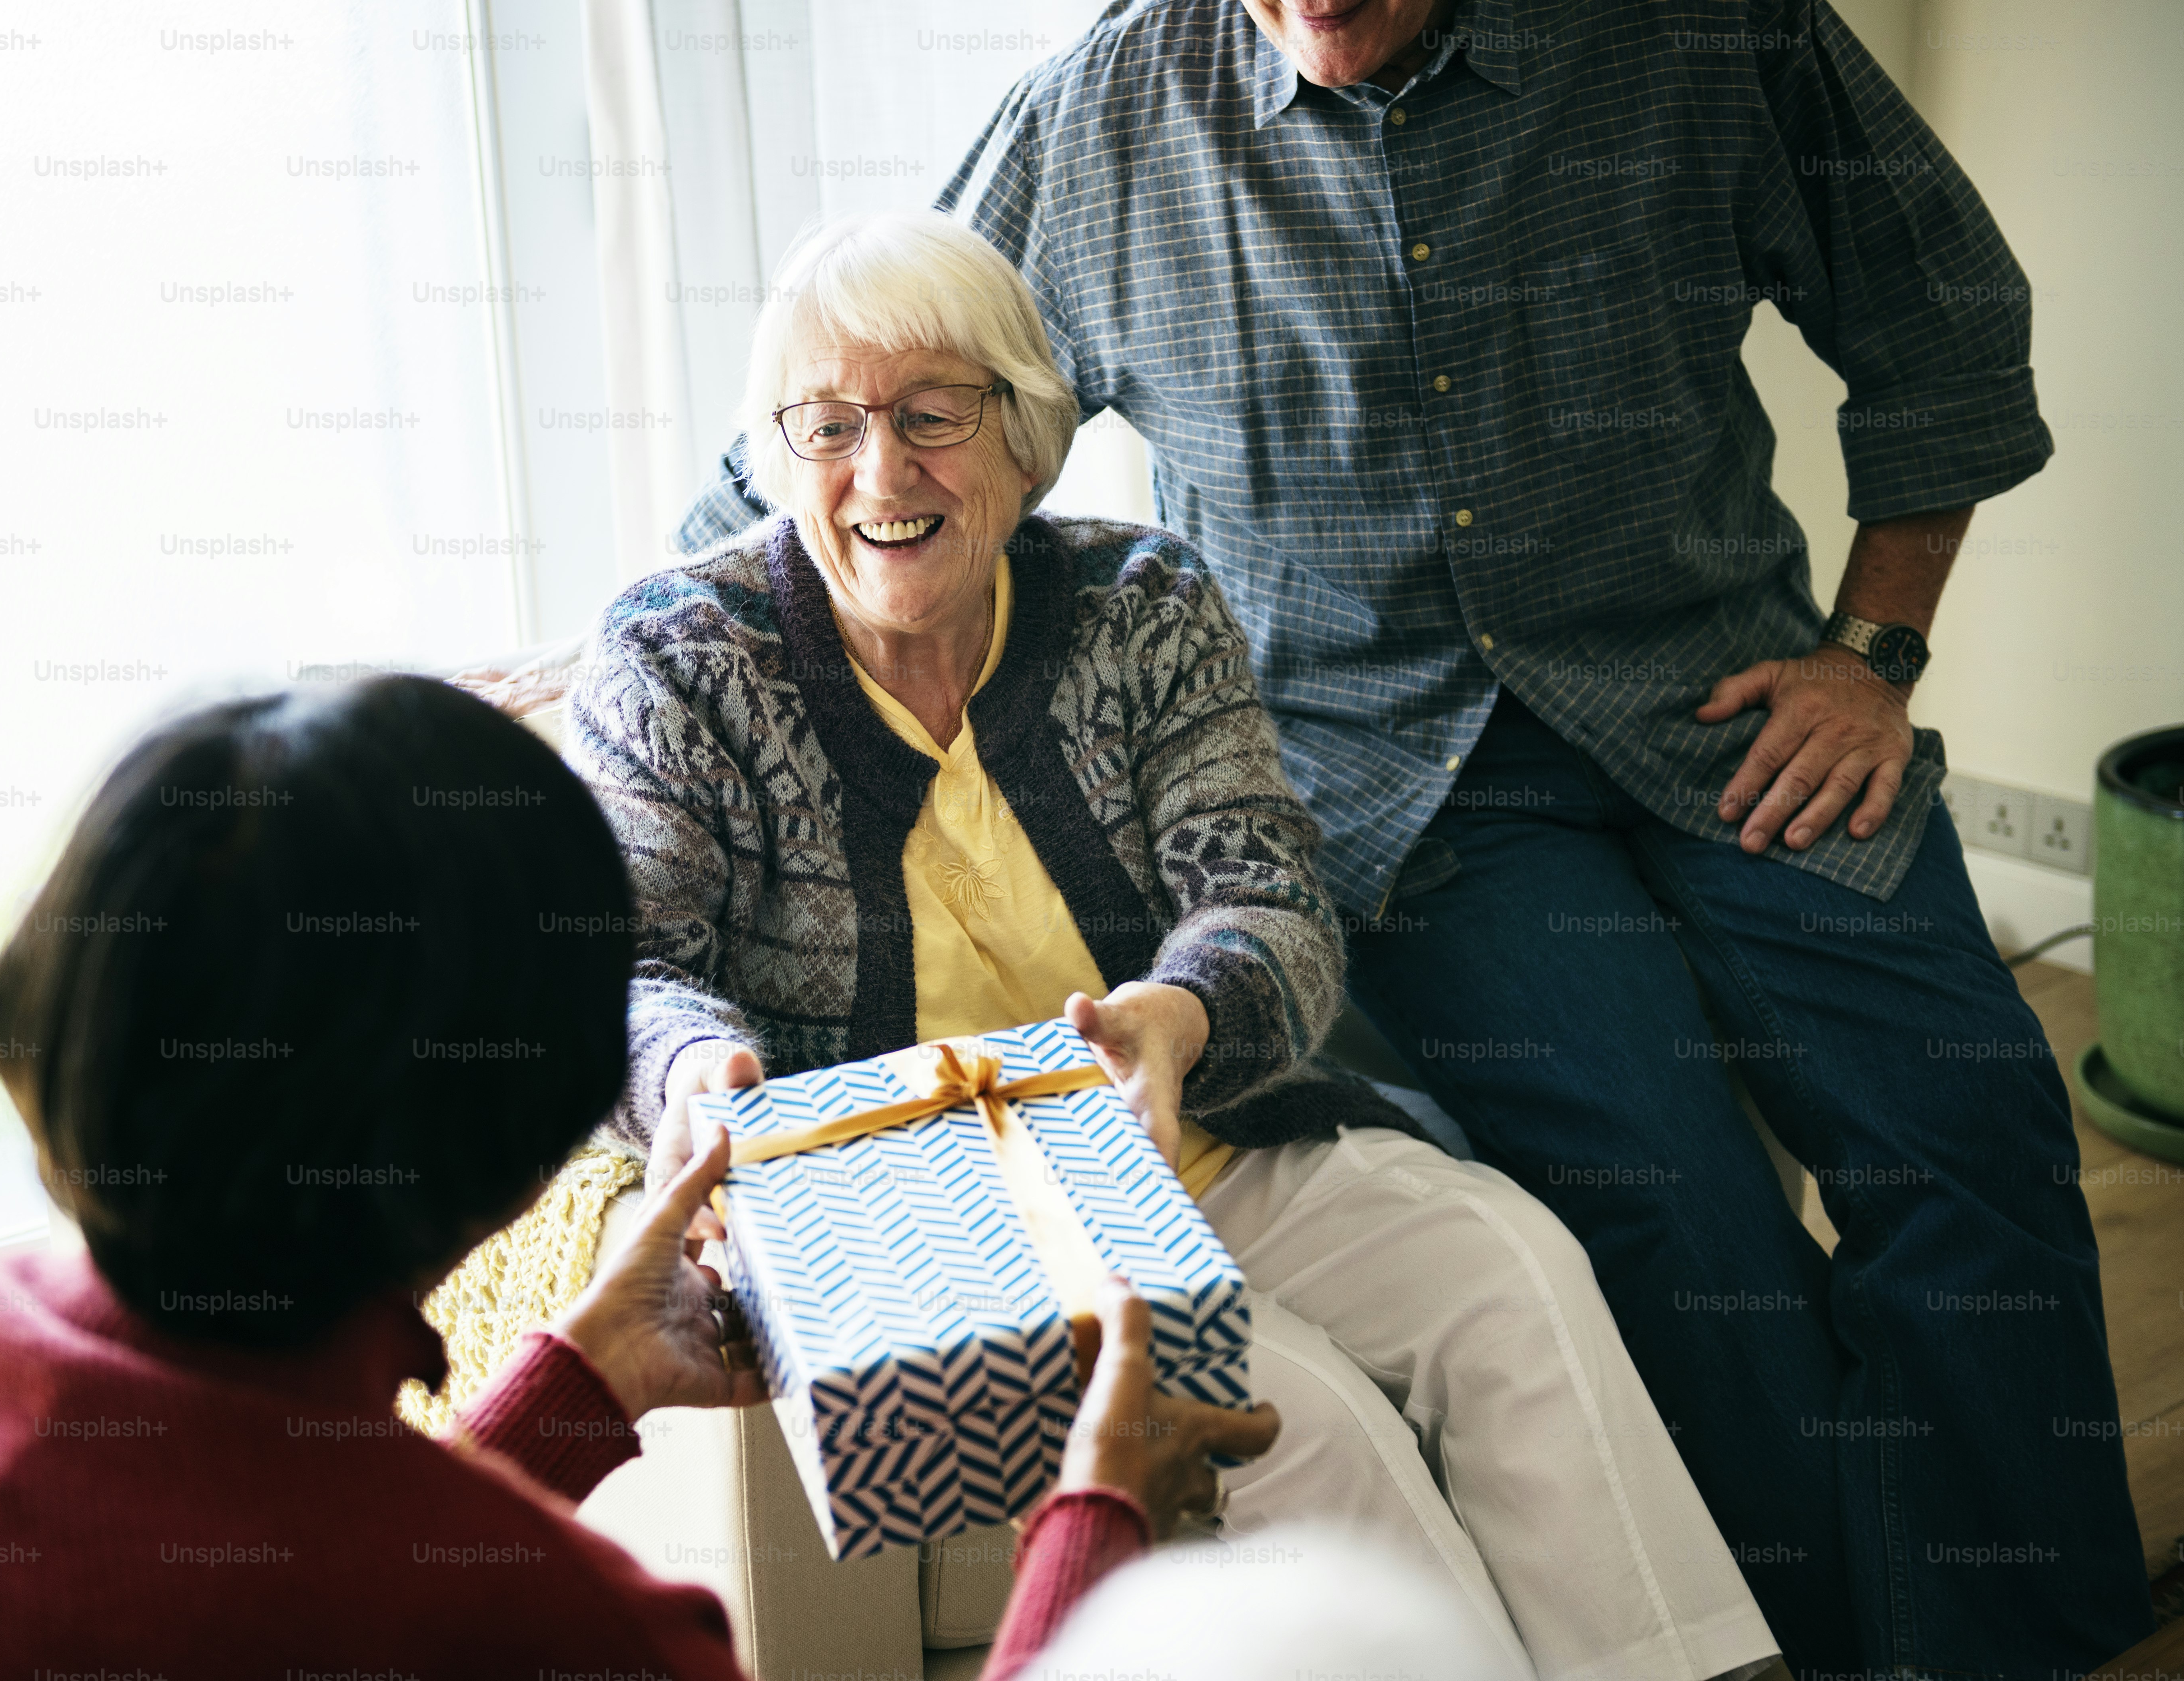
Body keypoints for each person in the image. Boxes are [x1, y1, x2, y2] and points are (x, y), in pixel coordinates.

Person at [673, 1, 2154, 1668]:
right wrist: (657, 666)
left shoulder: (1704, 36)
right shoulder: (1099, 113)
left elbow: (1938, 314)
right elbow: (855, 409)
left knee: (1968, 1121)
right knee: (1667, 1202)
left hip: (1731, 699)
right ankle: (1816, 1647)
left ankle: (2015, 1640)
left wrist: (1872, 655)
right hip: (1402, 780)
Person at [578, 209, 1781, 1681]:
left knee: (1508, 1262)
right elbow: (625, 967)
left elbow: (1267, 888)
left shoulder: (1142, 601)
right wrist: (698, 1070)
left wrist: (1184, 1015)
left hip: (1194, 1134)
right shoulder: (682, 653)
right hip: (935, 1230)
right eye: (826, 425)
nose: (881, 473)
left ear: (1027, 438)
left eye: (932, 417)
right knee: (1306, 1417)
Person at [0, 676, 1268, 1677]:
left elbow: (281, 1569)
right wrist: (1100, 1528)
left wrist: (582, 1390)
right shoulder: (578, 1637)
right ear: (521, 1135)